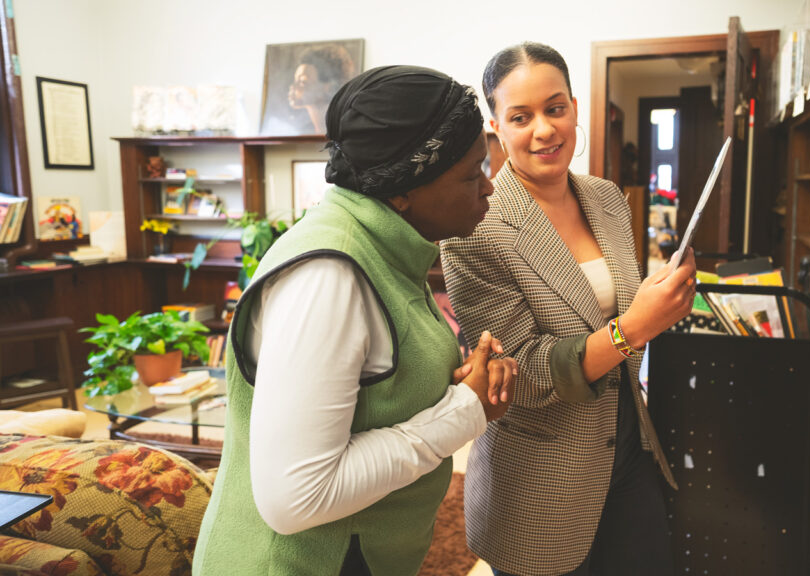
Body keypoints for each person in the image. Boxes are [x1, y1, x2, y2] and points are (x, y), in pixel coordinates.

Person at [194, 65, 517, 576]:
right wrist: (464, 409)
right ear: (405, 188)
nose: (488, 188)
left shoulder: (384, 245)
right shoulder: (328, 276)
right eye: (471, 173)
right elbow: (296, 497)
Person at [441, 42, 698, 576]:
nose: (544, 129)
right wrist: (635, 326)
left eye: (555, 108)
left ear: (576, 108)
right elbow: (524, 376)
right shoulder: (474, 229)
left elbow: (609, 306)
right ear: (496, 128)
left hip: (626, 445)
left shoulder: (606, 199)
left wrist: (653, 297)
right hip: (542, 478)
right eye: (521, 116)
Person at [287, 45, 356, 133]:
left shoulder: (345, 131)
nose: (293, 86)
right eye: (295, 79)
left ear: (327, 87)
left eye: (303, 81)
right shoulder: (302, 130)